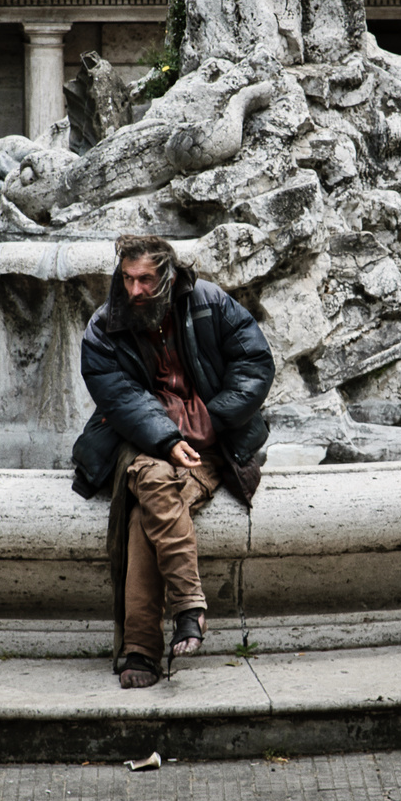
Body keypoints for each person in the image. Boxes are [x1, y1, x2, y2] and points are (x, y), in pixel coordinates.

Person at [73, 235, 274, 690]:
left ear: (166, 276)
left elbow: (256, 363)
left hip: (210, 444)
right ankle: (189, 607)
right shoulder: (103, 326)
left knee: (147, 510)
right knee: (150, 475)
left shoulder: (208, 302)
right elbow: (118, 397)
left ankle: (141, 650)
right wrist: (166, 440)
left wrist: (207, 421)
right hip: (141, 439)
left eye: (145, 279)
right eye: (127, 278)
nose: (134, 290)